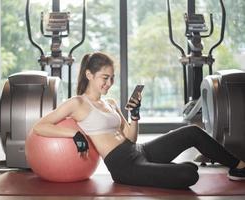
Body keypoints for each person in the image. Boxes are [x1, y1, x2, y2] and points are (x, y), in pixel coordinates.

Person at [33, 51, 245, 189]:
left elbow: (131, 138)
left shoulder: (112, 103)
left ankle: (239, 165)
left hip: (139, 151)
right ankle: (166, 169)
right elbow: (40, 126)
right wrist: (74, 133)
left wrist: (135, 115)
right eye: (105, 78)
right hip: (123, 166)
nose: (109, 83)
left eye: (112, 78)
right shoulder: (77, 103)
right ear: (89, 75)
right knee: (189, 174)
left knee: (192, 132)